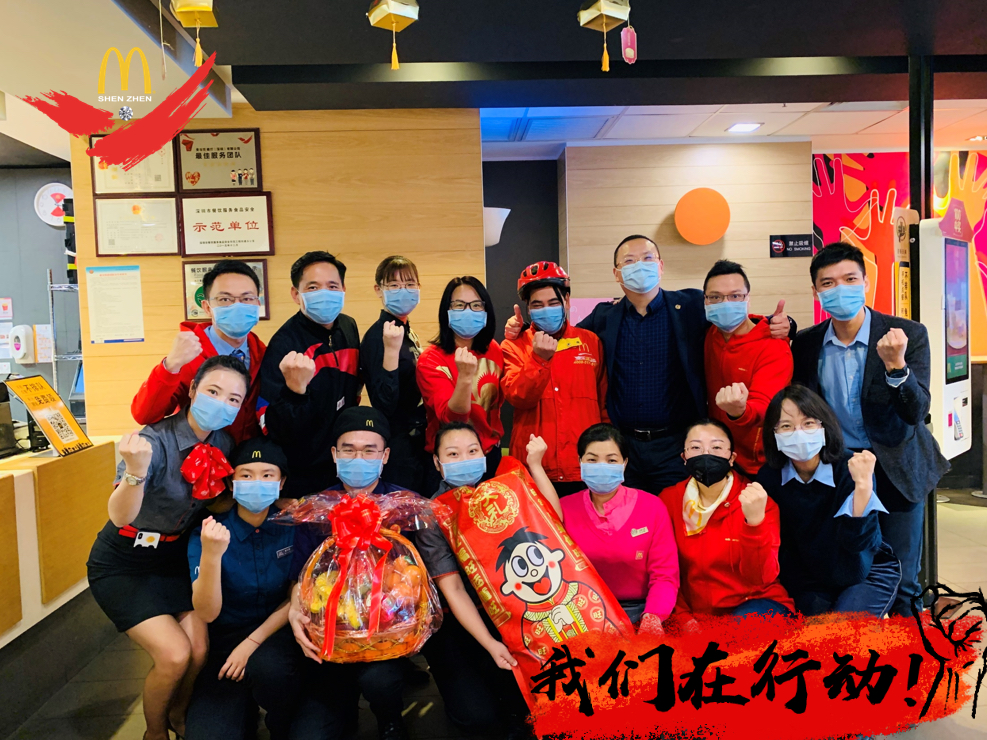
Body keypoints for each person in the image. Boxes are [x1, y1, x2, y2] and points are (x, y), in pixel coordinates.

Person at [505, 236, 793, 493]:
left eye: (647, 258)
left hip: (675, 444)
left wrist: (784, 324)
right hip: (623, 445)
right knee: (626, 519)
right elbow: (565, 336)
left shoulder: (690, 305)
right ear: (617, 273)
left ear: (661, 266)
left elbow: (732, 316)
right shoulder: (605, 317)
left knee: (676, 515)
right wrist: (522, 329)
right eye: (629, 261)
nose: (639, 266)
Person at [87, 355, 249, 740]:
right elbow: (120, 516)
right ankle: (155, 732)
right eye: (213, 391)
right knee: (174, 655)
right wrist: (135, 470)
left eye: (233, 399)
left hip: (173, 559)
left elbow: (214, 501)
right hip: (124, 561)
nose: (222, 404)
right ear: (192, 390)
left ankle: (179, 711)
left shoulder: (223, 442)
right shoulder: (153, 442)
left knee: (198, 649)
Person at [791, 242, 949, 616]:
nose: (840, 289)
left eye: (849, 279)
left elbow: (917, 411)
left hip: (897, 467)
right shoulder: (807, 343)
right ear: (815, 291)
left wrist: (896, 367)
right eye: (828, 283)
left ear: (865, 283)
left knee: (903, 579)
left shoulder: (906, 334)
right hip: (840, 470)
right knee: (850, 569)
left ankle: (910, 647)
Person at [286, 407, 416, 740]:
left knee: (381, 681)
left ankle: (390, 717)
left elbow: (417, 576)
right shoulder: (317, 508)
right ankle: (341, 709)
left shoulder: (404, 506)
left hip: (388, 632)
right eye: (349, 449)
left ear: (385, 456)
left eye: (370, 450)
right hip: (330, 632)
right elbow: (300, 575)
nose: (359, 458)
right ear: (334, 454)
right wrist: (295, 608)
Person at [415, 421, 534, 739]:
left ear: (484, 456)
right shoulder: (430, 514)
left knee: (525, 706)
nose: (464, 460)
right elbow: (453, 589)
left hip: (507, 613)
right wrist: (491, 644)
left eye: (472, 451)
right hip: (458, 621)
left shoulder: (503, 496)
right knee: (478, 718)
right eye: (453, 454)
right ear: (437, 462)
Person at [185, 437, 303, 740]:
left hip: (277, 634)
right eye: (246, 475)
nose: (257, 483)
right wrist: (212, 556)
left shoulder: (293, 526)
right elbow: (207, 612)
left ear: (281, 482)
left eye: (267, 475)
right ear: (231, 482)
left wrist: (251, 643)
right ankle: (244, 711)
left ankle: (280, 721)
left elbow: (298, 595)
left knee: (272, 671)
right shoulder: (209, 531)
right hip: (224, 641)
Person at [754, 385, 901, 617]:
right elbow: (785, 552)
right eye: (786, 426)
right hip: (812, 580)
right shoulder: (769, 478)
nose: (798, 433)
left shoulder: (851, 468)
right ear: (773, 434)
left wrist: (863, 487)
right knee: (812, 632)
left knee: (840, 630)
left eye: (808, 423)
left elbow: (859, 545)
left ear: (824, 426)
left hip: (865, 569)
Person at [546, 423, 679, 633]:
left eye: (611, 460)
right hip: (581, 615)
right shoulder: (564, 508)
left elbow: (665, 575)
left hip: (641, 612)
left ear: (624, 463)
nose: (601, 466)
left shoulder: (652, 507)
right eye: (592, 460)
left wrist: (653, 618)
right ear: (580, 462)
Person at [659, 419, 793, 626]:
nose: (706, 454)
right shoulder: (669, 501)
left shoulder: (756, 499)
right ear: (684, 457)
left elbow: (761, 577)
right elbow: (663, 571)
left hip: (756, 607)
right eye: (696, 447)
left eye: (716, 447)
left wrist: (755, 523)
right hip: (696, 615)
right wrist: (684, 620)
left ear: (732, 458)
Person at [259, 251, 361, 497]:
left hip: (344, 464)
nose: (324, 293)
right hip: (302, 472)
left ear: (343, 289)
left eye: (332, 286)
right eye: (313, 287)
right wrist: (294, 391)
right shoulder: (284, 344)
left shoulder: (348, 326)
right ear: (296, 294)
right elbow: (273, 427)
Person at [501, 262, 608, 497]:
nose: (546, 310)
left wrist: (606, 455)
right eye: (537, 305)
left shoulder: (590, 341)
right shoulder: (514, 345)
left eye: (553, 302)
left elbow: (604, 405)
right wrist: (538, 359)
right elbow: (518, 397)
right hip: (533, 468)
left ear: (567, 301)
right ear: (528, 309)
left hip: (584, 466)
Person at [131, 260, 266, 443]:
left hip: (249, 456)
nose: (237, 306)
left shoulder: (264, 354)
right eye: (225, 299)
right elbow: (144, 414)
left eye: (247, 299)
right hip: (198, 455)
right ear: (207, 307)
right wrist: (170, 366)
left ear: (257, 303)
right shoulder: (187, 356)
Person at [702, 260, 794, 477]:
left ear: (747, 298)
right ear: (705, 301)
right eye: (715, 297)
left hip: (758, 463)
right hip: (716, 455)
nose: (725, 303)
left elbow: (766, 405)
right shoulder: (709, 334)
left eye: (735, 296)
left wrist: (740, 411)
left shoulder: (773, 346)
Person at [416, 276, 503, 494]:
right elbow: (451, 419)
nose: (468, 311)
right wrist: (464, 378)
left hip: (488, 456)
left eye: (476, 305)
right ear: (447, 311)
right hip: (449, 463)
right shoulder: (431, 359)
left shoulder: (494, 349)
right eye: (459, 305)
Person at [360, 256, 429, 492]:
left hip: (417, 436)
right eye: (394, 285)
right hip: (399, 444)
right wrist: (390, 350)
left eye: (410, 284)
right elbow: (384, 403)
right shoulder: (379, 336)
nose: (404, 291)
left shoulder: (404, 329)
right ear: (378, 289)